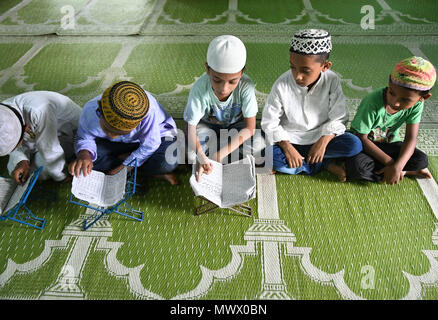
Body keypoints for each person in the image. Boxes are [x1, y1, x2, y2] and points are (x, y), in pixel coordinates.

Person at [261, 29, 362, 181]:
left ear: (325, 66)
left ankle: (304, 164)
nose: (297, 76)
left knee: (354, 144)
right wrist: (287, 148)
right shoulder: (282, 83)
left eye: (305, 71)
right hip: (290, 139)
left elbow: (339, 116)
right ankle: (325, 164)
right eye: (293, 67)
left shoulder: (332, 80)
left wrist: (323, 141)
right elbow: (270, 122)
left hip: (321, 136)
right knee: (266, 155)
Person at [184, 35, 265, 182]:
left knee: (259, 145)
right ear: (208, 69)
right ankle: (220, 154)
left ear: (242, 72)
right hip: (207, 126)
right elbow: (191, 128)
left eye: (233, 81)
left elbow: (250, 127)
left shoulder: (246, 86)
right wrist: (201, 156)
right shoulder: (200, 88)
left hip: (237, 127)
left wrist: (219, 155)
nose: (224, 88)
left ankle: (218, 152)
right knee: (191, 154)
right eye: (217, 80)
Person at [346, 56, 436, 184]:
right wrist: (392, 163)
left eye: (405, 100)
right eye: (392, 93)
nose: (395, 102)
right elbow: (361, 138)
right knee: (358, 167)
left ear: (424, 97)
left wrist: (398, 166)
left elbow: (411, 138)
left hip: (389, 144)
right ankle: (403, 172)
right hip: (365, 145)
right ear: (389, 82)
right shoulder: (372, 101)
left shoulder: (417, 105)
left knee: (421, 160)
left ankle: (397, 171)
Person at [68, 80, 179, 185]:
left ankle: (129, 163)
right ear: (100, 111)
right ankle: (142, 169)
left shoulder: (147, 114)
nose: (113, 135)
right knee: (79, 163)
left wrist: (124, 168)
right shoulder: (90, 110)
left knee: (168, 162)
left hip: (156, 137)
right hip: (116, 144)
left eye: (121, 133)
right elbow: (84, 137)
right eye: (107, 129)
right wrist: (84, 154)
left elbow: (151, 145)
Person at [0, 91, 82, 184]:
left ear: (26, 127)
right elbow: (9, 138)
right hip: (38, 137)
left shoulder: (39, 110)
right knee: (15, 167)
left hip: (66, 133)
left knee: (42, 169)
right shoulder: (4, 111)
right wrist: (22, 160)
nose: (16, 146)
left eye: (16, 145)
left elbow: (50, 149)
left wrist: (61, 176)